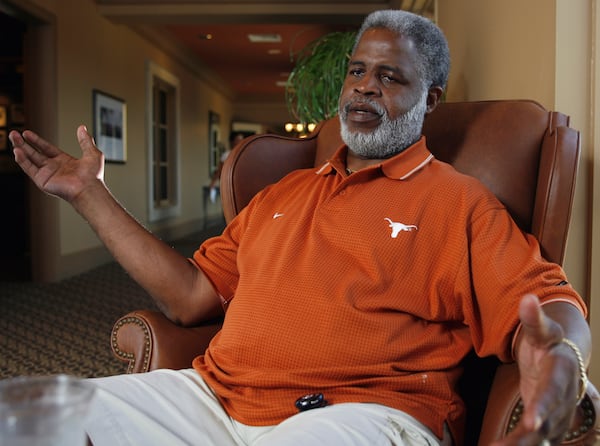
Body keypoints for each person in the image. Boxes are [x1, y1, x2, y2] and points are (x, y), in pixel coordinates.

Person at [8, 9, 592, 446]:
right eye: (358, 70)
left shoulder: (458, 204)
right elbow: (189, 297)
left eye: (390, 77)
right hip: (213, 399)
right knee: (29, 419)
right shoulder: (284, 193)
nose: (365, 86)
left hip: (361, 414)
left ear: (429, 98)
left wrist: (560, 353)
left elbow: (547, 301)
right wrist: (89, 195)